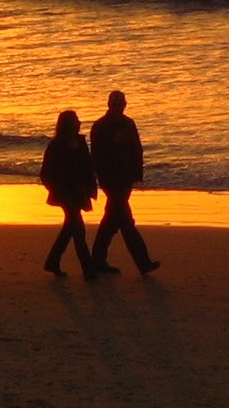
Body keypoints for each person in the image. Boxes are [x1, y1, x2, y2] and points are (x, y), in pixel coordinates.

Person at [89, 90, 159, 275]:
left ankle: (97, 260)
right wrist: (113, 143)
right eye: (115, 104)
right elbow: (96, 154)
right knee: (126, 221)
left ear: (125, 105)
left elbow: (137, 149)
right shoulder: (100, 126)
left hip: (126, 177)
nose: (118, 107)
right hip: (110, 178)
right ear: (109, 105)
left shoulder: (129, 123)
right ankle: (143, 262)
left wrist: (138, 172)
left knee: (112, 220)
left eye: (120, 104)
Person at [39, 108, 98, 278]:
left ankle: (53, 261)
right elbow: (46, 173)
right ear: (67, 125)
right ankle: (88, 269)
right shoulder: (56, 145)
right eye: (75, 121)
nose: (79, 123)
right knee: (78, 229)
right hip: (65, 193)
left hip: (79, 192)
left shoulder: (80, 142)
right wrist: (57, 189)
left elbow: (88, 167)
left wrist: (90, 188)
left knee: (70, 228)